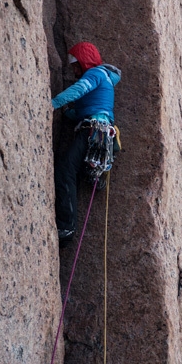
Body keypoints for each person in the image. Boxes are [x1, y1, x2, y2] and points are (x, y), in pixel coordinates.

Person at [52, 42, 121, 241]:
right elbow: (87, 109)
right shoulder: (103, 79)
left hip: (94, 130)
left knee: (66, 169)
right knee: (73, 168)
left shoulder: (96, 74)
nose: (73, 70)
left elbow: (78, 90)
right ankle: (95, 175)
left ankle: (66, 228)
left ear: (85, 62)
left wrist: (53, 103)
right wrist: (68, 113)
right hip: (99, 131)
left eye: (76, 65)